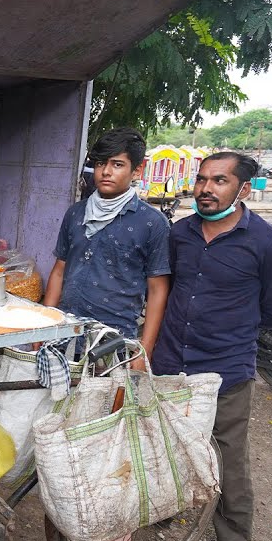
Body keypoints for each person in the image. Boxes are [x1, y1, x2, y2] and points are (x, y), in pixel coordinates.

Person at [150, 151, 272, 541]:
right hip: (171, 362)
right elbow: (164, 289)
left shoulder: (269, 243)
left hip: (226, 370)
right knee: (165, 443)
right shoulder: (180, 234)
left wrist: (228, 328)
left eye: (219, 181)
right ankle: (166, 507)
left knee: (228, 457)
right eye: (201, 180)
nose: (206, 189)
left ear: (243, 189)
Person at [43, 128, 171, 366]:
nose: (107, 172)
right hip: (65, 334)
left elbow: (157, 291)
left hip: (114, 340)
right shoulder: (76, 213)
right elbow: (59, 270)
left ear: (137, 170)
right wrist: (43, 326)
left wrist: (145, 350)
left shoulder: (152, 223)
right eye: (101, 163)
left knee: (106, 402)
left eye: (117, 164)